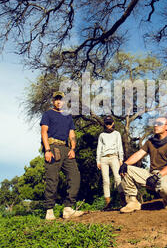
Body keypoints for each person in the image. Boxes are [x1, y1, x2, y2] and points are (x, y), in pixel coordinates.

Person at [118, 117, 167, 213]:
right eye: (155, 123)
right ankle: (132, 201)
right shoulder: (150, 142)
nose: (155, 125)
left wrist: (157, 176)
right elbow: (139, 154)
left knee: (166, 188)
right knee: (126, 169)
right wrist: (125, 164)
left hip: (166, 175)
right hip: (151, 175)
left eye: (159, 123)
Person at [40, 91, 85, 220]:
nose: (59, 102)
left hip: (66, 149)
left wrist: (73, 148)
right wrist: (47, 150)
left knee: (75, 176)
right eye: (56, 99)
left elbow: (72, 134)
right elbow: (44, 132)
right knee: (52, 179)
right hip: (53, 148)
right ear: (53, 101)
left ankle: (68, 208)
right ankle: (49, 210)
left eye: (61, 99)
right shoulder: (48, 114)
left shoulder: (68, 116)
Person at [96, 115, 124, 209]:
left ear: (113, 123)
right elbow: (99, 148)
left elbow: (120, 146)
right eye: (106, 123)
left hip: (114, 157)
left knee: (117, 178)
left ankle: (123, 201)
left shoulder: (117, 134)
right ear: (104, 124)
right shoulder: (102, 135)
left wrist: (121, 159)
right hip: (103, 159)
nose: (108, 125)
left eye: (110, 123)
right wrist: (98, 160)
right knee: (106, 180)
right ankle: (108, 204)